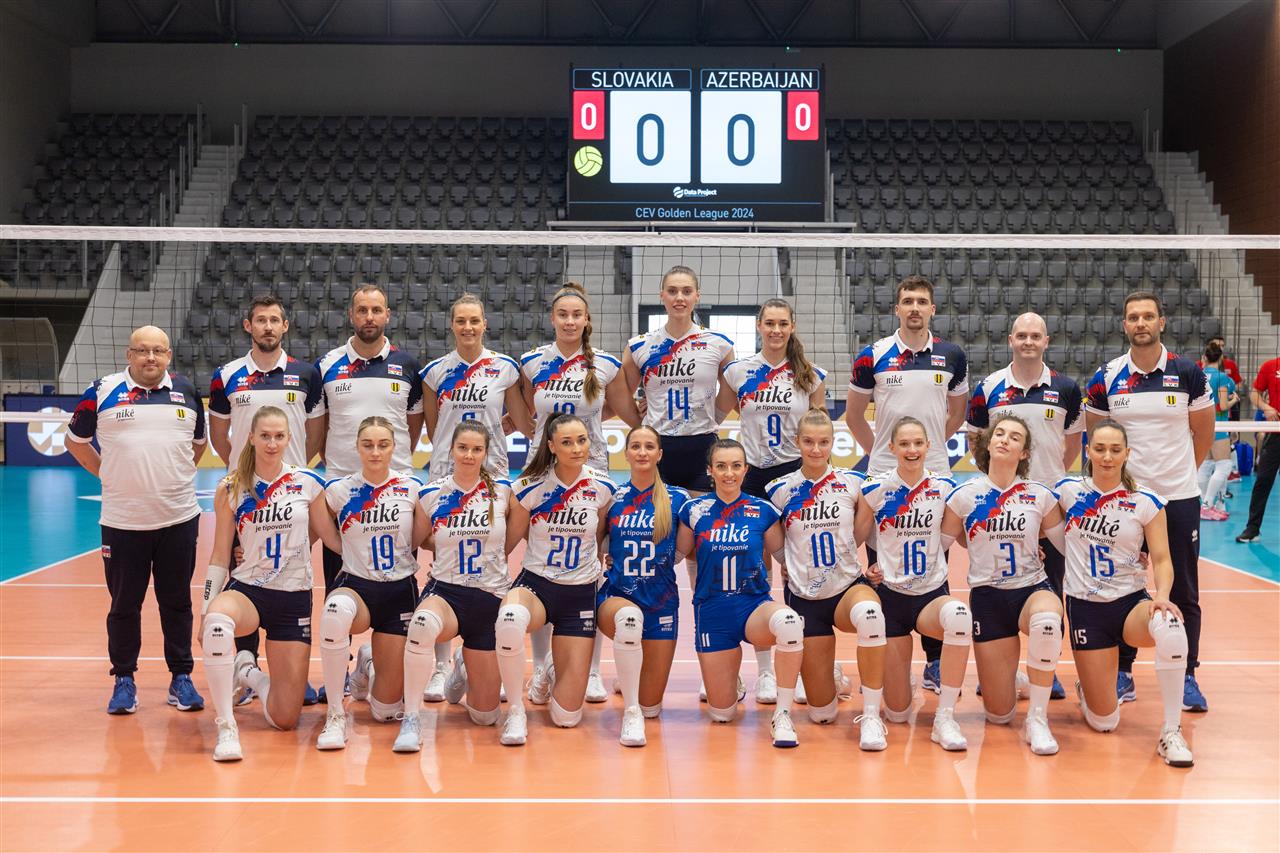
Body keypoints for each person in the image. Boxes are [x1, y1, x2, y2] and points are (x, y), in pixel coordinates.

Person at [67, 325, 207, 716]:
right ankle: (124, 679)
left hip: (178, 518)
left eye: (158, 351)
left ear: (168, 356)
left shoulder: (187, 392)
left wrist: (171, 478)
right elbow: (75, 442)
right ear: (129, 355)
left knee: (177, 602)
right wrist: (108, 475)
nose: (150, 358)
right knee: (124, 604)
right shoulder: (101, 391)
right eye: (142, 350)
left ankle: (181, 677)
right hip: (123, 521)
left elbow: (196, 447)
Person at [1085, 291, 1214, 712]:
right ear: (1124, 325)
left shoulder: (1188, 373)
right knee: (1122, 587)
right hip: (1126, 500)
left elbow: (1204, 434)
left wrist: (1178, 477)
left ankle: (1188, 674)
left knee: (1184, 588)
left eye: (1147, 316)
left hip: (1178, 498)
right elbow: (1096, 437)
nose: (1140, 323)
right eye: (1133, 317)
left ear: (1161, 322)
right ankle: (1124, 672)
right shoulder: (1106, 377)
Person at [846, 276, 968, 695]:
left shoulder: (952, 355)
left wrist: (927, 452)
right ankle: (890, 652)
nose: (914, 307)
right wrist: (886, 455)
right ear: (896, 308)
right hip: (884, 473)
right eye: (907, 301)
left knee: (935, 562)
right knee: (883, 566)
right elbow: (854, 416)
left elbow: (957, 413)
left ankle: (935, 661)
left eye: (922, 301)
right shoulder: (873, 355)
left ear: (932, 309)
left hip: (936, 472)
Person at [520, 282, 639, 705]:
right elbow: (526, 416)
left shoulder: (604, 365)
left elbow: (627, 411)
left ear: (587, 320)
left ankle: (589, 671)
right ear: (552, 319)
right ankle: (541, 668)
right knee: (541, 567)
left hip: (594, 472)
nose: (570, 321)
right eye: (563, 314)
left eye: (577, 315)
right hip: (542, 474)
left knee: (590, 567)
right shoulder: (533, 362)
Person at [198, 406, 339, 761]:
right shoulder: (232, 487)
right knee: (217, 624)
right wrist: (204, 611)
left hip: (293, 597)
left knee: (285, 719)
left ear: (290, 439)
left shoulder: (308, 483)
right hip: (249, 590)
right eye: (265, 436)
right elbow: (219, 556)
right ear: (251, 438)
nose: (272, 443)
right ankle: (226, 726)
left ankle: (248, 672)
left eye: (278, 436)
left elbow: (330, 537)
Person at [208, 294, 324, 704]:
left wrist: (288, 472)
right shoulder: (226, 375)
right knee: (245, 572)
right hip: (248, 497)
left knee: (290, 575)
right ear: (248, 326)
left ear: (285, 326)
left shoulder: (306, 374)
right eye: (261, 320)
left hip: (293, 498)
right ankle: (245, 667)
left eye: (275, 320)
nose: (268, 327)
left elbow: (316, 433)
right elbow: (219, 435)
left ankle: (287, 675)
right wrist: (247, 474)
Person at [1058, 420, 1194, 767]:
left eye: (1115, 450)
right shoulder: (1067, 492)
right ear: (1088, 451)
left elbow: (1161, 558)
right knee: (1104, 721)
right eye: (1100, 449)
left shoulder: (1145, 501)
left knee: (1171, 628)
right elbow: (1040, 525)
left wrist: (1162, 595)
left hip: (1129, 603)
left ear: (1127, 454)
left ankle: (1171, 731)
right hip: (1086, 608)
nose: (1107, 457)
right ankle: (1090, 690)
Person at [420, 293, 532, 701]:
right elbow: (435, 428)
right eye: (461, 321)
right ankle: (440, 666)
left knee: (493, 561)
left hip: (494, 472)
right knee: (443, 560)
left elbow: (523, 420)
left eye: (474, 321)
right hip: (446, 474)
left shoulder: (505, 368)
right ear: (452, 325)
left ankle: (480, 653)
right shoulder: (435, 373)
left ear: (485, 324)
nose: (468, 327)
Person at [717, 297, 828, 705]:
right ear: (759, 327)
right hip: (752, 476)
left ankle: (798, 660)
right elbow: (713, 417)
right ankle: (764, 670)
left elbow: (819, 431)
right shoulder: (738, 372)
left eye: (783, 323)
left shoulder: (810, 375)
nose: (776, 330)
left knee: (797, 566)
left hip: (794, 475)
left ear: (792, 326)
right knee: (755, 567)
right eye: (770, 323)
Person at [942, 414, 1066, 756]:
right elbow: (937, 547)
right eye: (999, 433)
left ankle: (1038, 719)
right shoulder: (963, 496)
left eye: (1014, 437)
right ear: (988, 443)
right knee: (999, 715)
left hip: (1031, 588)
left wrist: (1129, 557)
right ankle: (1016, 680)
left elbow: (1070, 546)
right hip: (987, 597)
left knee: (1047, 621)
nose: (1004, 440)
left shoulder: (1039, 495)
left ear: (1024, 453)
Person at [765, 409, 888, 751]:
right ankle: (831, 678)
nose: (816, 449)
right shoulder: (779, 490)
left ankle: (871, 716)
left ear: (834, 443)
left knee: (871, 615)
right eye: (808, 442)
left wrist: (866, 561)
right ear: (797, 442)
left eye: (823, 442)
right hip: (805, 597)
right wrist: (787, 563)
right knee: (822, 714)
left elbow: (869, 526)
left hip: (847, 588)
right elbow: (773, 537)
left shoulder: (854, 483)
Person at [495, 413, 617, 746]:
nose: (577, 448)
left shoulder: (603, 487)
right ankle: (516, 710)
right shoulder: (529, 487)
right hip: (537, 585)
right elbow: (507, 544)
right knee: (510, 618)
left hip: (580, 593)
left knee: (567, 717)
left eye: (582, 440)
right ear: (551, 446)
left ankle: (551, 668)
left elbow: (601, 536)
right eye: (567, 442)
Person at [675, 439, 806, 748]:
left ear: (746, 470)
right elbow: (675, 556)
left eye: (736, 466)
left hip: (753, 606)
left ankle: (782, 715)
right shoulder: (693, 511)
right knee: (721, 714)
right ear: (710, 471)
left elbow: (787, 557)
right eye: (721, 466)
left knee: (789, 622)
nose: (729, 473)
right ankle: (728, 675)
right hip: (712, 612)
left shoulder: (763, 510)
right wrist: (614, 555)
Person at [394, 421, 515, 753]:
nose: (469, 455)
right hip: (446, 593)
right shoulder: (432, 494)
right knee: (421, 624)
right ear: (451, 450)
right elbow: (417, 540)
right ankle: (411, 718)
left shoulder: (503, 492)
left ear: (486, 453)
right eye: (463, 448)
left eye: (477, 449)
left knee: (485, 716)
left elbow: (515, 536)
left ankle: (462, 665)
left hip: (490, 596)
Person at [855, 416, 970, 752]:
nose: (912, 450)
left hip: (931, 596)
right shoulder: (875, 490)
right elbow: (854, 538)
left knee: (960, 617)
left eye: (918, 443)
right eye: (904, 444)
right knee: (898, 713)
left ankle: (945, 718)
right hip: (891, 597)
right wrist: (865, 572)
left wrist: (1027, 550)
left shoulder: (944, 488)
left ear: (928, 446)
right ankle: (891, 691)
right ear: (891, 447)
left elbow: (966, 537)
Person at [315, 416, 428, 750]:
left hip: (399, 591)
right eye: (368, 445)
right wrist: (343, 549)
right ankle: (335, 714)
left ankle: (368, 661)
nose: (375, 452)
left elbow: (423, 537)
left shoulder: (412, 489)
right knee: (334, 611)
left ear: (394, 447)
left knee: (385, 711)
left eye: (383, 445)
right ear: (357, 447)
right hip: (357, 587)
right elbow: (313, 530)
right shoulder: (339, 490)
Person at [315, 285, 424, 600]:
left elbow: (412, 425)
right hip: (341, 490)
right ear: (351, 315)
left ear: (387, 315)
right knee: (339, 594)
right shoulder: (326, 365)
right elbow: (320, 427)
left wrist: (390, 460)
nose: (369, 317)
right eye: (362, 310)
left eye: (376, 310)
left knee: (398, 586)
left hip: (396, 489)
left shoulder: (407, 366)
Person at [966, 312, 1083, 600]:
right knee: (1001, 587)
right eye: (1021, 336)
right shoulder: (988, 387)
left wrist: (1049, 479)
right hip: (1002, 506)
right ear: (1010, 341)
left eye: (1035, 336)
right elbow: (976, 440)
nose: (1028, 342)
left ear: (1046, 341)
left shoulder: (1066, 388)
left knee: (1052, 591)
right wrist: (998, 481)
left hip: (1050, 503)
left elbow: (1073, 443)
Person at [596, 426, 691, 746]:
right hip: (618, 596)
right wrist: (609, 555)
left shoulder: (678, 499)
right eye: (635, 446)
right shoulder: (612, 497)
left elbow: (683, 549)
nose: (642, 452)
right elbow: (596, 541)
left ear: (659, 454)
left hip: (661, 600)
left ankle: (633, 686)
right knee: (628, 621)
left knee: (653, 707)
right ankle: (630, 712)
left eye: (649, 446)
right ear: (626, 453)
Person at [622, 265, 735, 493]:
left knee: (701, 514)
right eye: (672, 291)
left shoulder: (719, 343)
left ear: (697, 296)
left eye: (687, 291)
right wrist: (641, 424)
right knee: (659, 515)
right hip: (658, 445)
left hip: (702, 445)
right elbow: (620, 396)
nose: (679, 298)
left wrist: (713, 418)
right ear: (662, 295)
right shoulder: (639, 346)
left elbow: (731, 389)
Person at [1237, 355, 1280, 543]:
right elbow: (1255, 393)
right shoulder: (1271, 366)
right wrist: (1266, 407)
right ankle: (1252, 528)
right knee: (1263, 480)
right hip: (1276, 432)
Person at [1197, 340, 1240, 520]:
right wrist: (1234, 400)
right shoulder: (1222, 377)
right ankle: (1207, 505)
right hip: (1219, 425)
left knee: (1205, 466)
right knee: (1224, 465)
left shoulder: (1198, 375)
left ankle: (1207, 504)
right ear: (1221, 358)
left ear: (1204, 358)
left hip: (1200, 426)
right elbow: (1222, 406)